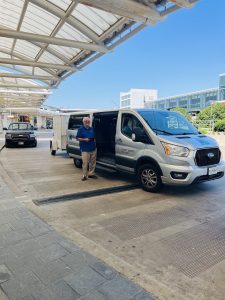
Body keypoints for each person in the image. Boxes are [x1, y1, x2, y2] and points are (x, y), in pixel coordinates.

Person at [76, 117, 97, 181]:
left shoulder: (92, 129)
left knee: (92, 163)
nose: (87, 122)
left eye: (88, 121)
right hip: (85, 149)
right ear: (83, 122)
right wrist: (84, 139)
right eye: (86, 121)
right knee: (85, 163)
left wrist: (95, 145)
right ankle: (84, 176)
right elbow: (77, 138)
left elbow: (94, 138)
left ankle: (91, 174)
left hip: (93, 148)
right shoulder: (80, 129)